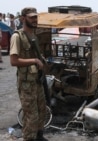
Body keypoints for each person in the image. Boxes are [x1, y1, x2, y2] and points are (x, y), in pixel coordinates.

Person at [9, 7, 48, 141]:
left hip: (37, 80)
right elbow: (13, 61)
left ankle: (39, 135)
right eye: (32, 17)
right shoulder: (17, 36)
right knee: (31, 115)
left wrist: (40, 58)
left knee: (42, 111)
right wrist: (34, 60)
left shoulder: (34, 36)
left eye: (36, 17)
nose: (35, 20)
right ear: (23, 18)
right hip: (26, 83)